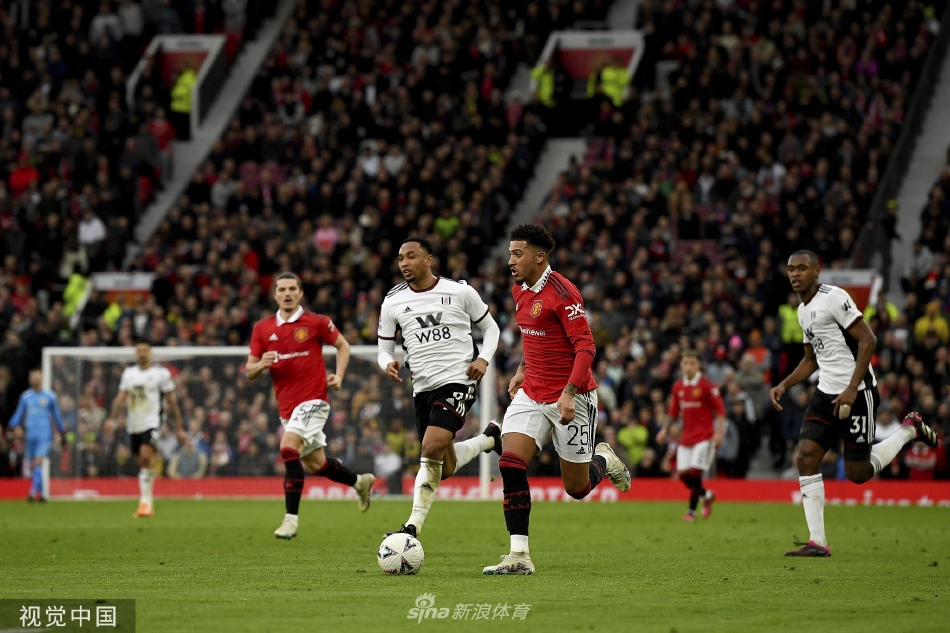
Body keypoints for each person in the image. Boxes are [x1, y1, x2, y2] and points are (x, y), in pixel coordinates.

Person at [482, 224, 631, 576]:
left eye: (517, 254)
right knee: (510, 463)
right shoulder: (519, 290)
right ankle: (519, 555)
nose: (510, 261)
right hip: (532, 392)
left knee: (576, 488)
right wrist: (522, 368)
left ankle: (603, 458)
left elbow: (586, 347)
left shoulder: (564, 293)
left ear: (539, 256)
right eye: (509, 253)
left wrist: (569, 392)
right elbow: (534, 336)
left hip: (571, 397)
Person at [770, 250, 940, 557]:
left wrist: (851, 388)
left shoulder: (834, 297)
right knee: (805, 457)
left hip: (858, 393)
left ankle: (909, 431)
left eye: (802, 268)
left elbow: (868, 339)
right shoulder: (802, 310)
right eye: (791, 269)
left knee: (858, 474)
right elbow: (811, 360)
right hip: (825, 394)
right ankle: (818, 542)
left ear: (817, 271)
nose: (795, 274)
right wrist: (785, 384)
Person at [377, 237, 502, 538]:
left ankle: (412, 527)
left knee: (430, 446)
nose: (404, 263)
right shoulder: (392, 302)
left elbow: (491, 328)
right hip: (422, 388)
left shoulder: (459, 291)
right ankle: (489, 439)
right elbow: (383, 349)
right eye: (400, 258)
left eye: (411, 256)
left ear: (429, 259)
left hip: (459, 380)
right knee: (443, 467)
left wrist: (483, 359)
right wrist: (387, 363)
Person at [247, 272, 374, 539]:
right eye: (282, 290)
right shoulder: (262, 328)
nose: (287, 294)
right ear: (275, 295)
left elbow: (343, 346)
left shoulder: (316, 322)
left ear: (300, 292)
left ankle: (290, 520)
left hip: (314, 401)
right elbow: (250, 370)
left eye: (292, 289)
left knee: (287, 447)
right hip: (287, 408)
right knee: (317, 464)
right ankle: (360, 482)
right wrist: (261, 365)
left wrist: (339, 376)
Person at [108, 339, 187, 517]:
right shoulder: (129, 373)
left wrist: (179, 427)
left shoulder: (161, 374)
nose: (142, 354)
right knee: (141, 463)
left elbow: (172, 401)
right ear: (135, 354)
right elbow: (120, 398)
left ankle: (144, 502)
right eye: (139, 351)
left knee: (145, 455)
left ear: (150, 353)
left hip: (153, 422)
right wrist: (111, 419)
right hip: (134, 423)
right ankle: (147, 501)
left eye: (145, 350)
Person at [657, 350, 726, 521]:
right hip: (686, 437)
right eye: (686, 363)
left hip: (704, 437)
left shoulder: (707, 385)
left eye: (692, 363)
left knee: (695, 472)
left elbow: (721, 410)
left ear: (698, 365)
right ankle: (707, 495)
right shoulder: (678, 386)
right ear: (681, 365)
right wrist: (665, 430)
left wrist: (719, 433)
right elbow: (673, 412)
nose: (688, 367)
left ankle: (691, 512)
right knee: (683, 474)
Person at [8, 369, 65, 502]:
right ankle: (43, 493)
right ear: (29, 379)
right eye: (32, 377)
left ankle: (33, 493)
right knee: (35, 464)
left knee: (38, 461)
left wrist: (62, 433)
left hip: (44, 434)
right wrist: (9, 427)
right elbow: (18, 414)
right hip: (30, 434)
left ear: (41, 378)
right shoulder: (25, 396)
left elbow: (57, 416)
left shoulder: (50, 396)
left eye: (37, 376)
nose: (35, 379)